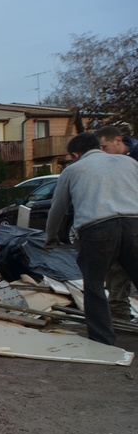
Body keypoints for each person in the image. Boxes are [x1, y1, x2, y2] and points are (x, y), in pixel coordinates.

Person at [45, 133, 138, 346]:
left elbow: (58, 207)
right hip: (135, 224)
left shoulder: (73, 170)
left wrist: (51, 235)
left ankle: (103, 341)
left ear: (76, 154)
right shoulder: (129, 162)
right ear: (98, 146)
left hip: (97, 229)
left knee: (94, 285)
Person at [96, 125, 138, 319]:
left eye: (105, 147)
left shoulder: (133, 159)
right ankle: (119, 311)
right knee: (116, 267)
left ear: (118, 140)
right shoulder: (108, 162)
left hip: (133, 220)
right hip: (117, 221)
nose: (102, 152)